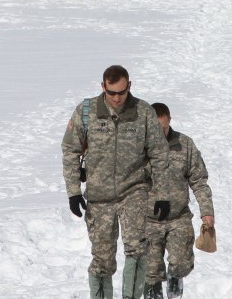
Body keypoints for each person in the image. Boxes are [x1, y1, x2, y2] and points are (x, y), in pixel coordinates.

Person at [62, 65, 171, 299]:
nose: (117, 97)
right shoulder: (87, 111)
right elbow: (71, 150)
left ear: (129, 86)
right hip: (99, 196)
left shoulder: (143, 112)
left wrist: (161, 194)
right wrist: (73, 191)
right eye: (111, 93)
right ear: (103, 87)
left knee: (136, 248)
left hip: (134, 191)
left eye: (121, 92)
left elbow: (160, 154)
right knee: (102, 258)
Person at [144, 103, 214, 299]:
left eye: (163, 128)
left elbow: (199, 181)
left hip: (178, 217)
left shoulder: (185, 145)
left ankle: (175, 285)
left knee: (180, 262)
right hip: (148, 219)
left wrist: (207, 211)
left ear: (169, 122)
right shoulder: (137, 148)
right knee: (151, 270)